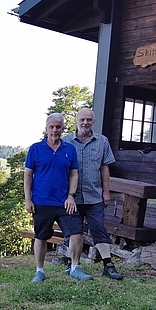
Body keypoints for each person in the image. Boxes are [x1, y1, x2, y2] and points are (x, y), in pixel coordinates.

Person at [24, 113, 91, 283]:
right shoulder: (35, 149)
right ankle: (39, 271)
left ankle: (75, 268)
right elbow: (28, 176)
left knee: (76, 232)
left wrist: (71, 196)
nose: (55, 130)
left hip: (64, 202)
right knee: (41, 236)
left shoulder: (69, 149)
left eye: (58, 127)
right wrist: (28, 199)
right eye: (51, 127)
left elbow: (74, 175)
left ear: (62, 129)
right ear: (46, 129)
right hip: (41, 201)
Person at [63, 107, 123, 280]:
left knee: (99, 228)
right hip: (72, 197)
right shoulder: (66, 142)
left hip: (94, 196)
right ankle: (71, 264)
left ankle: (108, 266)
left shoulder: (102, 141)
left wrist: (106, 192)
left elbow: (105, 168)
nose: (85, 123)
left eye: (88, 120)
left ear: (93, 122)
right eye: (82, 119)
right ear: (76, 121)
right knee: (73, 231)